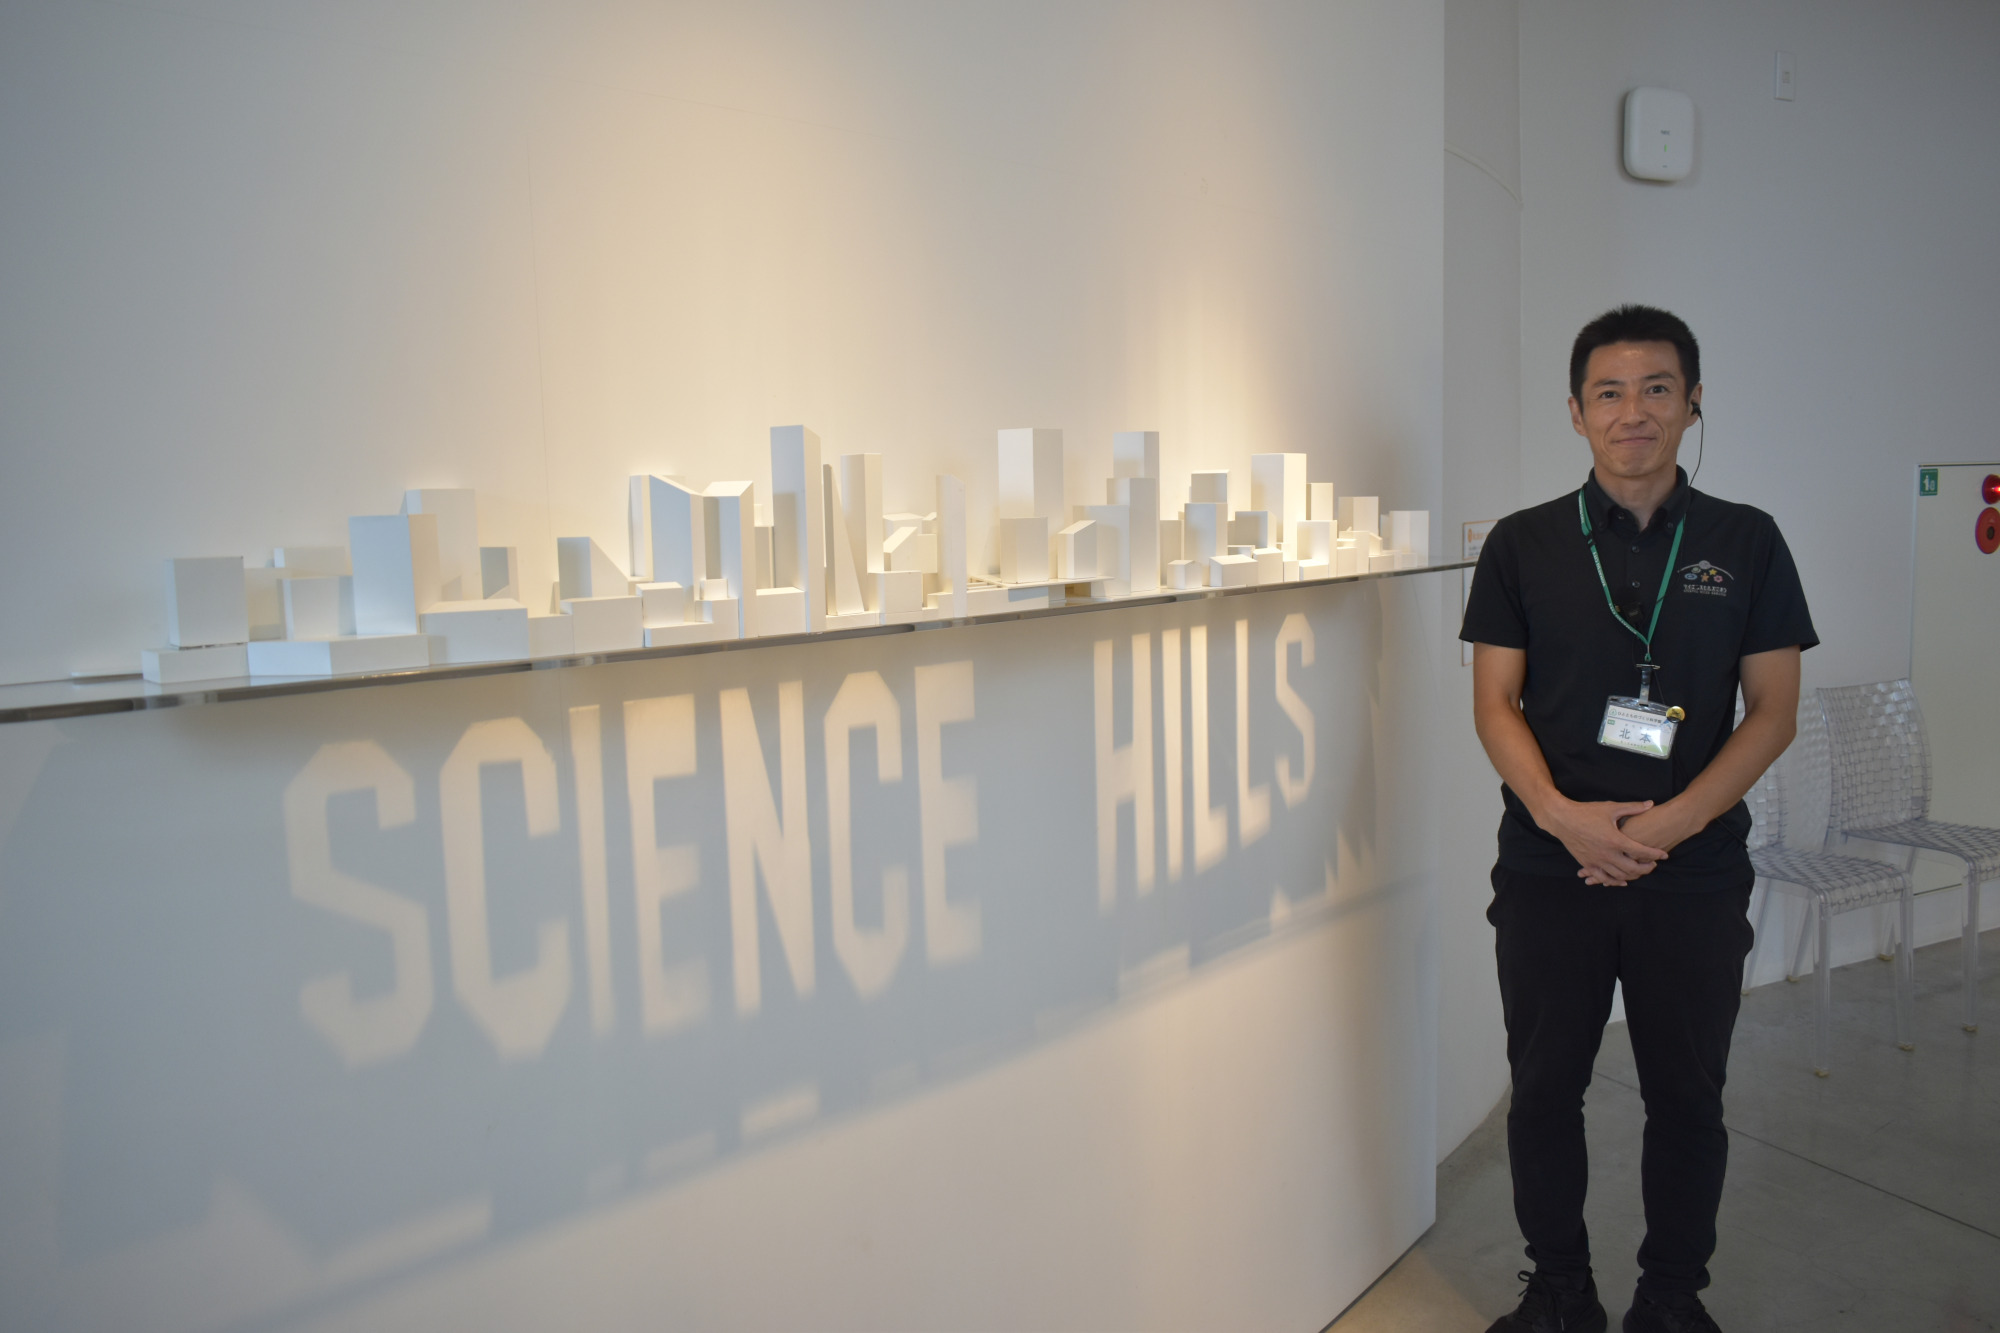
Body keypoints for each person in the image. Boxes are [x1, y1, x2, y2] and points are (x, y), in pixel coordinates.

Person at [1459, 305, 1818, 1333]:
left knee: (1687, 1097)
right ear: (1576, 413)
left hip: (1692, 874)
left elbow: (1773, 711)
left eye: (1657, 388)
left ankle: (1669, 1300)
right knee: (1542, 1090)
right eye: (1608, 392)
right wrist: (1562, 818)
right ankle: (1558, 1291)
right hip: (1549, 868)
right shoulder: (1522, 543)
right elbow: (1493, 703)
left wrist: (1667, 828)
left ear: (1692, 402)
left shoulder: (1745, 540)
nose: (1633, 412)